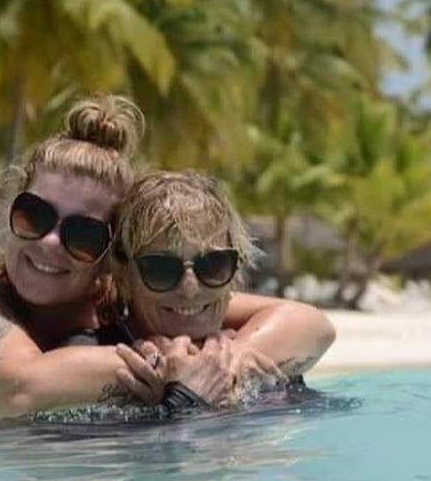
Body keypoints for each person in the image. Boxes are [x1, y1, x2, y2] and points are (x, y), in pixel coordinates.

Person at [0, 96, 334, 419]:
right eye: (35, 215)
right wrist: (176, 367)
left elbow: (307, 322)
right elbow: (20, 389)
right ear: (10, 211)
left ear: (113, 255)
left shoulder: (119, 300)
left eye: (83, 234)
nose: (51, 241)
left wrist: (228, 360)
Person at [108, 170, 334, 408]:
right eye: (161, 269)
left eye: (212, 265)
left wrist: (231, 358)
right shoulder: (102, 352)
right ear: (123, 275)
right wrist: (181, 398)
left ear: (235, 269)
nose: (190, 289)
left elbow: (319, 327)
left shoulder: (241, 350)